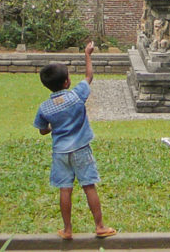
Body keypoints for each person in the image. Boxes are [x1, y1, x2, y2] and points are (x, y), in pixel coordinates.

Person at [34, 40, 116, 240]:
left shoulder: (44, 108)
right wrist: (88, 54)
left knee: (65, 189)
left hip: (60, 152)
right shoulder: (76, 96)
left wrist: (54, 126)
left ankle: (67, 229)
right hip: (81, 149)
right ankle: (99, 226)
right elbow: (89, 77)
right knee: (89, 186)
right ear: (66, 82)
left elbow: (42, 130)